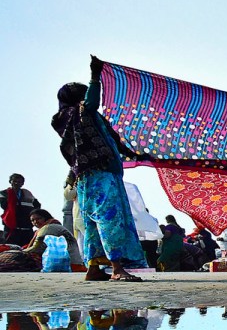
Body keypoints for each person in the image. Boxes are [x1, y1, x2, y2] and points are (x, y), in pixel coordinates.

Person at [51, 56, 147, 281]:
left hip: (94, 175)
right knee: (108, 218)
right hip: (98, 175)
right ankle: (117, 269)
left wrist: (137, 155)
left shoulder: (89, 118)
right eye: (83, 95)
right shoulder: (73, 115)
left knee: (94, 223)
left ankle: (93, 268)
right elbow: (91, 104)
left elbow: (115, 141)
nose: (87, 98)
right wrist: (95, 76)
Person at [0, 209, 84, 272]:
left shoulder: (48, 227)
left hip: (69, 265)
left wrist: (17, 252)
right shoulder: (50, 226)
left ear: (45, 218)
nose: (35, 222)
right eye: (32, 220)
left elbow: (36, 248)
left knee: (12, 257)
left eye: (38, 218)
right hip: (70, 263)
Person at [1, 173, 42, 246]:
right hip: (12, 228)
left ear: (22, 183)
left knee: (28, 250)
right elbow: (4, 205)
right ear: (10, 181)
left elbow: (37, 205)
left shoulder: (27, 193)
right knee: (11, 249)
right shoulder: (4, 193)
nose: (17, 183)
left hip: (26, 227)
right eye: (14, 181)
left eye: (19, 182)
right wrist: (13, 195)